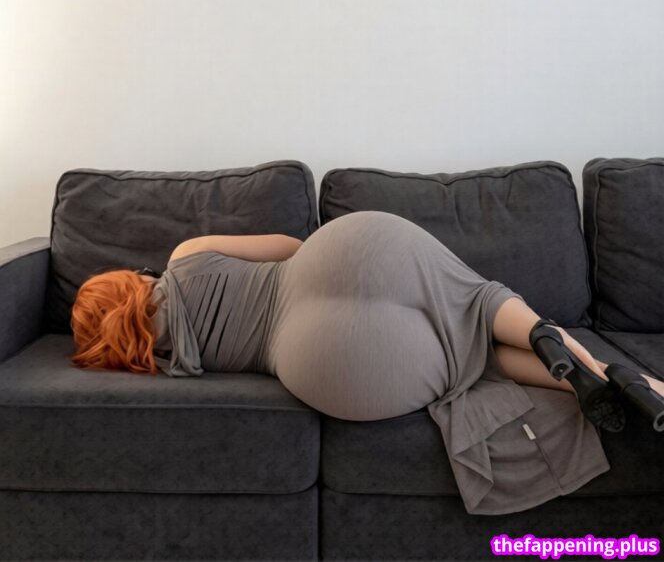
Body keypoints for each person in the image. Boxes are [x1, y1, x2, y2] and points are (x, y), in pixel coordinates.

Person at [69, 210, 664, 515]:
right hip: (328, 261)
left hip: (311, 357)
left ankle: (587, 380)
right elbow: (289, 248)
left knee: (475, 363)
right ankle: (573, 353)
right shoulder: (186, 256)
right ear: (130, 280)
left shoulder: (155, 361)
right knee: (472, 301)